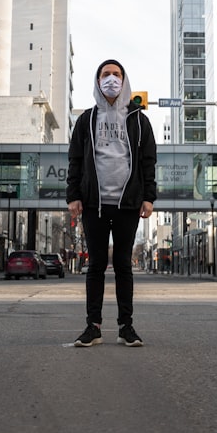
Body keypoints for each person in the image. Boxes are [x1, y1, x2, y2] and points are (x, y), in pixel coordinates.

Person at [66, 59, 157, 347]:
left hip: (127, 203)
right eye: (106, 74)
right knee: (95, 266)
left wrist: (148, 197)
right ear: (97, 80)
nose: (111, 79)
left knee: (123, 266)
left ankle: (125, 326)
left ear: (124, 80)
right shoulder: (86, 120)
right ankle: (92, 326)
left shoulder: (139, 120)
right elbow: (75, 160)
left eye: (116, 74)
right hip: (94, 203)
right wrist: (73, 195)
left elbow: (148, 161)